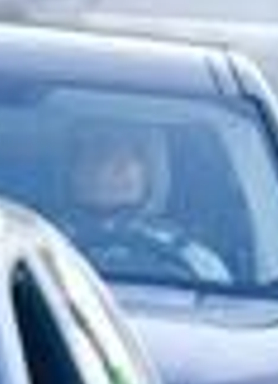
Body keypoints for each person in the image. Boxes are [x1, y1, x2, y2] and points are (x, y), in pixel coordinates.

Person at [63, 118, 231, 285]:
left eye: (136, 153)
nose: (109, 168)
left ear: (154, 171)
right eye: (99, 150)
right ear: (73, 167)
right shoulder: (44, 244)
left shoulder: (198, 260)